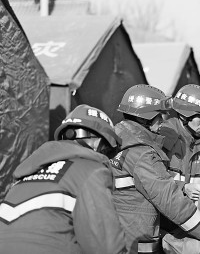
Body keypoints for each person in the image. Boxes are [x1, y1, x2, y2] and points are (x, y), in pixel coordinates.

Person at [109, 84, 200, 254]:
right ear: (144, 118)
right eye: (158, 116)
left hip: (151, 233)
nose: (162, 121)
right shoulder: (146, 150)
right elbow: (166, 194)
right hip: (150, 236)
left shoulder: (121, 142)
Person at [0, 104, 129, 254]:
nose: (107, 156)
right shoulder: (91, 171)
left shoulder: (24, 178)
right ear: (98, 142)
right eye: (108, 151)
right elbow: (107, 247)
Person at [159, 84, 200, 203]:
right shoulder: (162, 138)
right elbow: (152, 180)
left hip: (191, 217)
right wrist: (184, 187)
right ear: (184, 115)